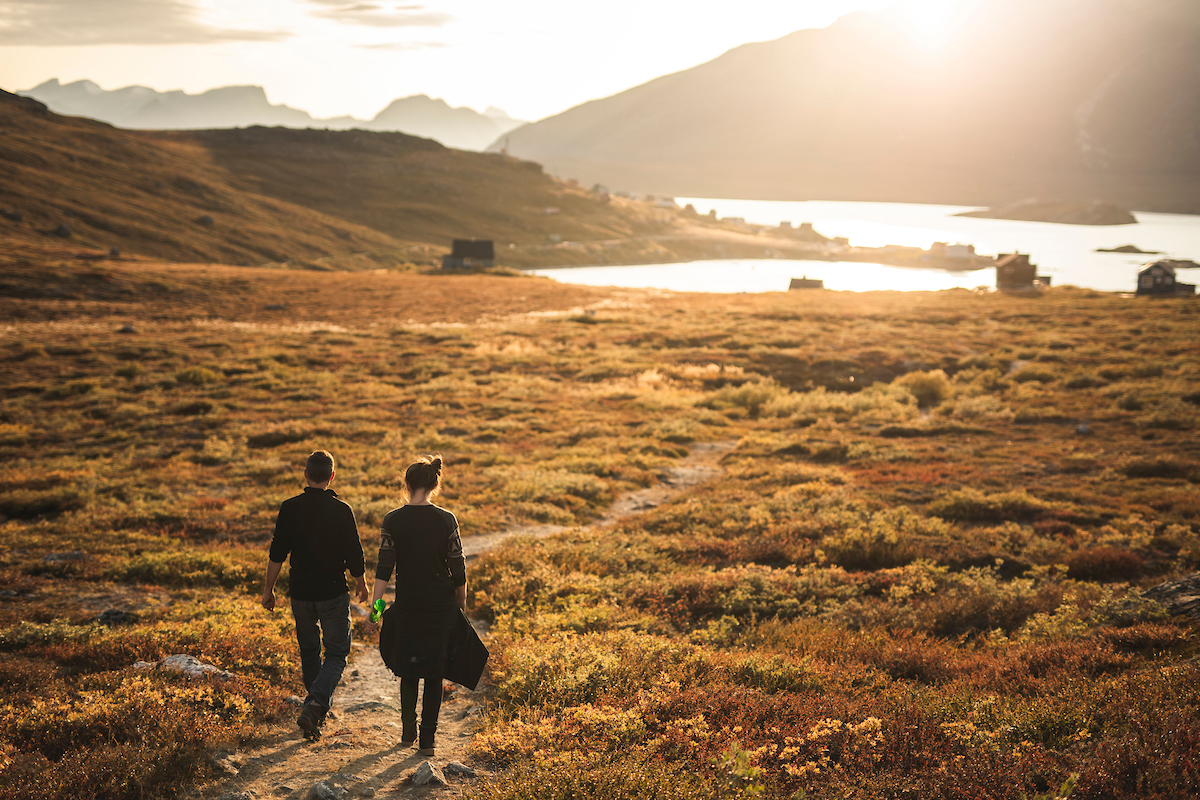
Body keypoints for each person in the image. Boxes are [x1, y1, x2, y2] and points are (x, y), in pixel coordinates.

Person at [261, 450, 368, 741]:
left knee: (309, 651)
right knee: (336, 653)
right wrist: (361, 583)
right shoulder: (342, 510)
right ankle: (317, 704)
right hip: (332, 592)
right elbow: (354, 551)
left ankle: (313, 711)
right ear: (332, 476)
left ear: (306, 474)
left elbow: (277, 554)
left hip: (301, 593)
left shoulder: (289, 508)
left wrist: (269, 589)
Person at [370, 454, 466, 756]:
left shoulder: (393, 520)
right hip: (440, 605)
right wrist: (461, 605)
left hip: (408, 604)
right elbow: (458, 567)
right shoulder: (447, 519)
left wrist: (375, 611)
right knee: (435, 672)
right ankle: (427, 741)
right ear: (434, 485)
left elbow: (384, 568)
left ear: (407, 484)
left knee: (408, 669)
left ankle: (407, 732)